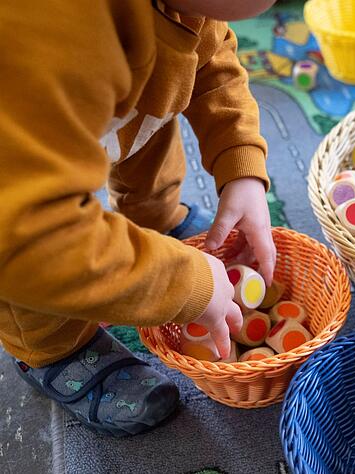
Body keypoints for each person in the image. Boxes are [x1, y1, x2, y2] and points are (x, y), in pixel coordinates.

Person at [0, 0, 278, 436]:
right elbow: (33, 239)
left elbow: (211, 62)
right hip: (18, 212)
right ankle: (55, 348)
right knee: (37, 280)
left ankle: (156, 218)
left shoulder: (192, 7)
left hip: (102, 100)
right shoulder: (54, 34)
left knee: (151, 107)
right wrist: (185, 283)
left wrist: (240, 164)